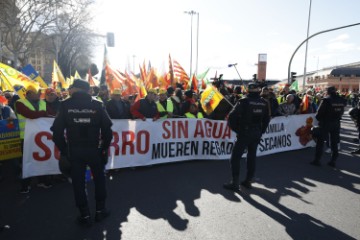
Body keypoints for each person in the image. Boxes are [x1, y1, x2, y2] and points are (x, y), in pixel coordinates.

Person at [51, 79, 113, 226]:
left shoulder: (65, 105)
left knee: (78, 183)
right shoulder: (97, 104)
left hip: (75, 150)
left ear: (77, 89)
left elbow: (56, 133)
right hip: (94, 150)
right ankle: (100, 211)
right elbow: (108, 132)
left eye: (72, 87)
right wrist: (103, 149)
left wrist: (65, 151)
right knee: (99, 179)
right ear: (87, 90)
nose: (70, 90)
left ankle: (85, 215)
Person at [224, 83, 270, 191]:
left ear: (248, 90)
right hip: (256, 133)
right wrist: (261, 131)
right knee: (252, 156)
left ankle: (235, 183)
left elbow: (231, 116)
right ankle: (248, 181)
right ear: (259, 91)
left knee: (235, 157)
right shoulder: (264, 102)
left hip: (245, 133)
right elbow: (267, 119)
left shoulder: (244, 101)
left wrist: (237, 129)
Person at [15, 85, 55, 193]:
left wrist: (44, 114)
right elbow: (30, 114)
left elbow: (52, 114)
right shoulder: (20, 102)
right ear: (28, 94)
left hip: (40, 137)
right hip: (26, 137)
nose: (39, 94)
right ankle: (25, 185)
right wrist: (43, 114)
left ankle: (42, 181)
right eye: (37, 92)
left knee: (41, 159)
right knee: (27, 161)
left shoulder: (42, 102)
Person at [310, 86, 346, 168]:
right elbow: (341, 112)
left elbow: (318, 114)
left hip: (326, 123)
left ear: (328, 92)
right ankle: (333, 161)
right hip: (336, 123)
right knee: (334, 142)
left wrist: (321, 119)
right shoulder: (341, 100)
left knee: (320, 142)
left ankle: (317, 160)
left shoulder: (326, 100)